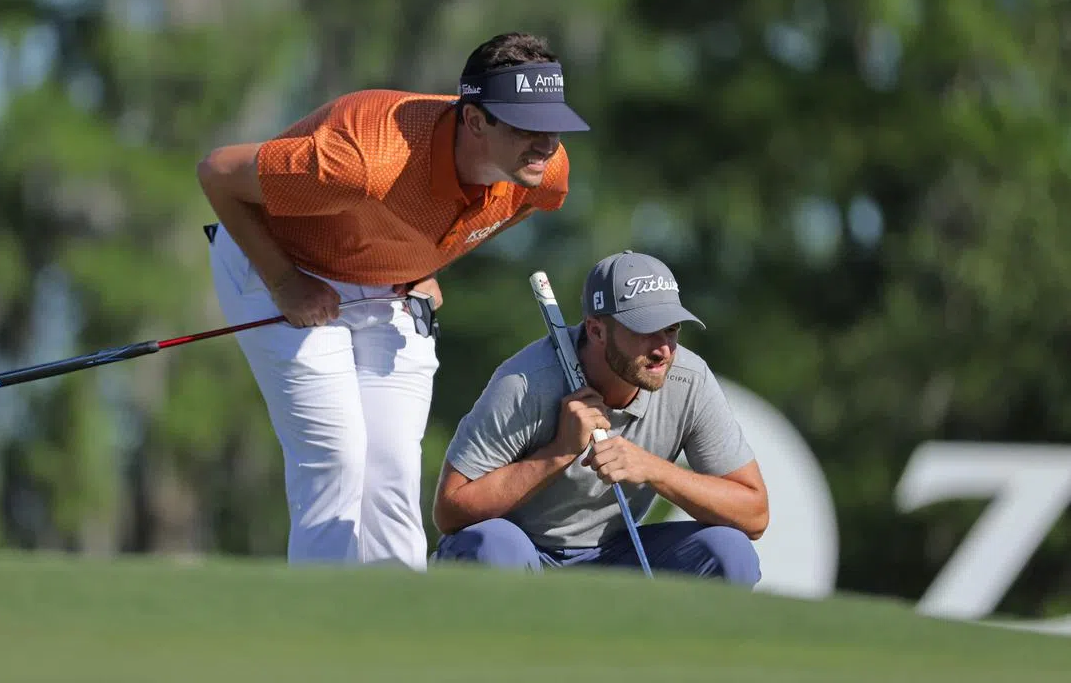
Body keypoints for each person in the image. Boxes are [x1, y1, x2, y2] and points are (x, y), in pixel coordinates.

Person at [196, 32, 589, 569]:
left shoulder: (543, 174)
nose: (546, 145)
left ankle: (396, 634)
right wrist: (285, 283)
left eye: (554, 127)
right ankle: (322, 633)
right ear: (475, 121)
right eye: (527, 127)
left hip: (386, 286)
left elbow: (463, 217)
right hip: (277, 262)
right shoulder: (364, 159)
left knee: (392, 470)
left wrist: (421, 263)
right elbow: (217, 173)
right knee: (336, 459)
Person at [432, 251, 769, 584]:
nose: (662, 349)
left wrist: (653, 469)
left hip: (614, 556)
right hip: (525, 554)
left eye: (671, 329)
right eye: (645, 330)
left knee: (730, 553)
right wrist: (559, 452)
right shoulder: (526, 382)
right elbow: (450, 510)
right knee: (494, 546)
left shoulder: (689, 379)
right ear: (596, 331)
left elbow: (754, 514)